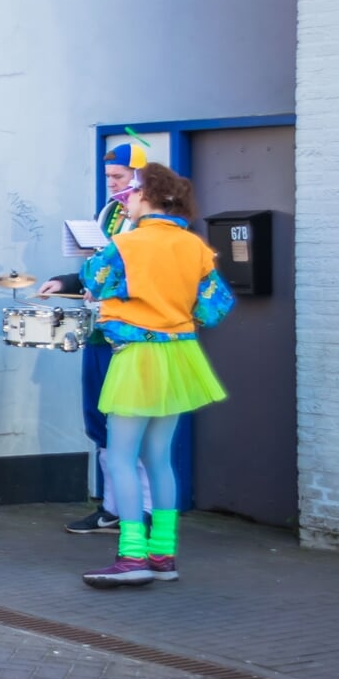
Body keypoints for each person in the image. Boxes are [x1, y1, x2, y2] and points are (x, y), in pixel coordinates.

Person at [78, 162, 233, 588]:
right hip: (180, 355)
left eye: (130, 194)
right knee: (159, 458)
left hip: (138, 355)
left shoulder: (126, 243)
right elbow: (215, 307)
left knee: (122, 456)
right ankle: (163, 554)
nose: (123, 199)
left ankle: (131, 556)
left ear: (146, 195)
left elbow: (94, 279)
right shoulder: (194, 245)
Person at [40, 144, 155, 534]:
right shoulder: (108, 214)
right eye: (108, 177)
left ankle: (146, 509)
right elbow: (95, 268)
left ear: (140, 178)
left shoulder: (154, 221)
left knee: (133, 422)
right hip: (100, 331)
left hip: (135, 336)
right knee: (99, 420)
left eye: (119, 177)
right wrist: (66, 282)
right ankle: (112, 507)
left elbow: (152, 277)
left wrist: (112, 287)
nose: (112, 184)